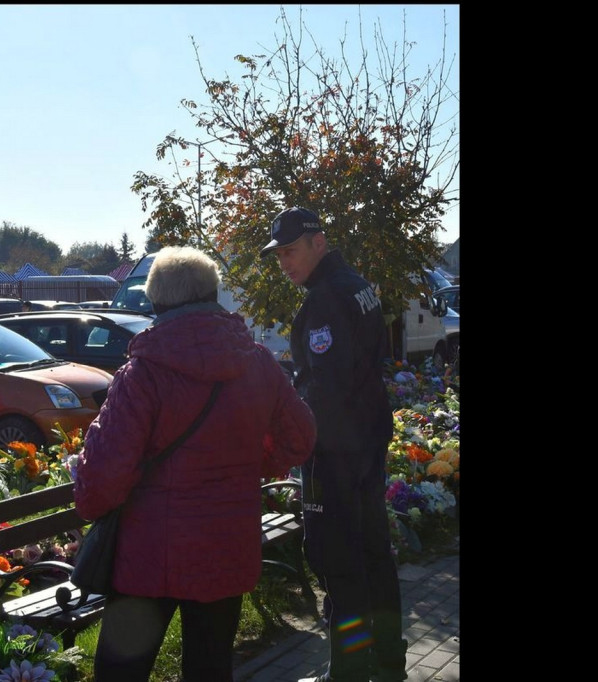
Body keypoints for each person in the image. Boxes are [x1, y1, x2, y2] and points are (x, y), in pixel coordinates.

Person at [71, 245, 317, 682]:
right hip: (226, 547)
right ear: (212, 295)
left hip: (150, 556)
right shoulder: (257, 363)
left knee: (120, 671)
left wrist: (88, 503)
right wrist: (250, 466)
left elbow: (104, 476)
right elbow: (300, 438)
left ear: (157, 302)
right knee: (210, 667)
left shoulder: (143, 374)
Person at [260, 207, 408, 682]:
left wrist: (295, 438)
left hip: (336, 450)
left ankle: (347, 670)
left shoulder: (323, 300)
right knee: (373, 553)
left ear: (318, 242)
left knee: (338, 560)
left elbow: (325, 387)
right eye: (278, 254)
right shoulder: (356, 284)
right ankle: (387, 660)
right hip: (366, 438)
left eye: (290, 251)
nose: (284, 263)